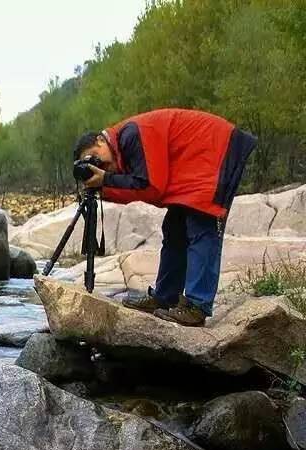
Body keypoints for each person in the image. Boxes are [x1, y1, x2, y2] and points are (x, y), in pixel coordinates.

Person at [74, 108, 257, 326]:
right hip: (194, 163)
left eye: (95, 156)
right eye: (91, 163)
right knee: (174, 228)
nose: (98, 164)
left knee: (201, 225)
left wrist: (107, 179)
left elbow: (151, 186)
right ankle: (165, 296)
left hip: (215, 150)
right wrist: (103, 187)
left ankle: (197, 306)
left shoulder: (131, 136)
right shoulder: (122, 145)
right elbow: (140, 186)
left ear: (101, 140)